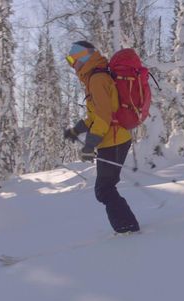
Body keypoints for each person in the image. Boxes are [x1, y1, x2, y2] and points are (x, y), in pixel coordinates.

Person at [63, 41, 140, 235]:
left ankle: (127, 229)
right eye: (69, 61)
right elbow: (94, 116)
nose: (72, 65)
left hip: (114, 141)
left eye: (73, 59)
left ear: (84, 57)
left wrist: (90, 144)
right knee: (105, 188)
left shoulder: (97, 79)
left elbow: (104, 117)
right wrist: (76, 130)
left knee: (104, 189)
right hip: (111, 140)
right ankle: (127, 227)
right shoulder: (94, 78)